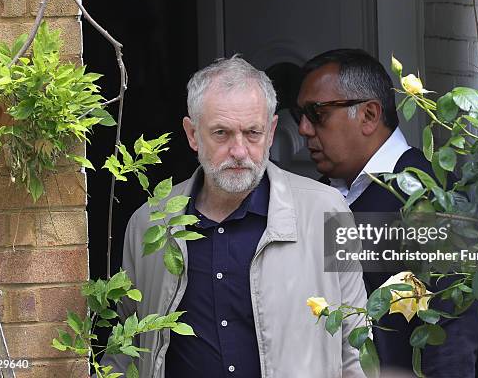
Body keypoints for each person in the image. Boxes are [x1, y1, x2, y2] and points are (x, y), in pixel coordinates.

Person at [100, 55, 368, 378]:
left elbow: (356, 349)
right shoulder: (149, 225)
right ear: (192, 134)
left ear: (270, 132)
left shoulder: (328, 213)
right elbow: (124, 353)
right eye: (222, 134)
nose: (239, 151)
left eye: (252, 133)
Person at [294, 49, 478, 377]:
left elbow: (453, 335)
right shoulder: (317, 195)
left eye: (317, 113)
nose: (304, 129)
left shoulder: (429, 196)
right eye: (301, 116)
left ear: (368, 115)